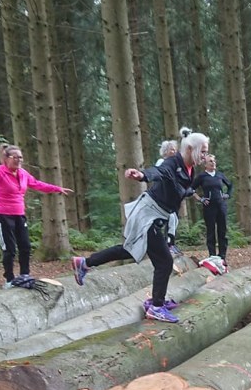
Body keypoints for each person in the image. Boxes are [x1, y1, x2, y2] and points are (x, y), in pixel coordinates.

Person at [72, 131, 209, 323]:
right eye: (202, 152)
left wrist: (188, 191)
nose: (204, 156)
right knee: (164, 262)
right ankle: (156, 306)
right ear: (189, 149)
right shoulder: (172, 163)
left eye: (205, 152)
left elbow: (179, 188)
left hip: (157, 217)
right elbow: (158, 172)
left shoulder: (190, 169)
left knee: (130, 250)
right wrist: (142, 175)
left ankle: (85, 263)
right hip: (147, 215)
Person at [0, 143, 74, 288]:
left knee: (25, 246)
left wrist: (57, 188)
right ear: (6, 158)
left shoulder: (23, 174)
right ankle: (9, 279)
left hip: (19, 213)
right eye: (15, 157)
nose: (19, 160)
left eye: (20, 158)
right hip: (2, 215)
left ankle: (24, 275)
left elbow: (37, 184)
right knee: (9, 249)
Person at [191, 153, 233, 263]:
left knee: (222, 231)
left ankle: (222, 256)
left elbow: (230, 186)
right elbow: (191, 189)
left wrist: (227, 195)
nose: (213, 163)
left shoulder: (220, 175)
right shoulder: (202, 176)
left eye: (214, 161)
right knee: (211, 231)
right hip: (209, 207)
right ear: (205, 164)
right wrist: (200, 199)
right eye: (210, 161)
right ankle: (212, 256)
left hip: (221, 205)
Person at [157, 129, 190, 257]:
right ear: (165, 151)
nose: (174, 151)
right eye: (171, 149)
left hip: (174, 199)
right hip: (164, 199)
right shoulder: (162, 163)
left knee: (174, 220)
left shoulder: (175, 164)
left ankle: (171, 244)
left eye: (174, 149)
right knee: (168, 220)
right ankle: (165, 246)